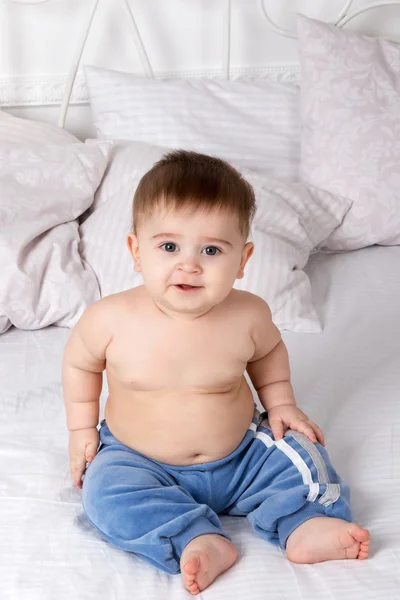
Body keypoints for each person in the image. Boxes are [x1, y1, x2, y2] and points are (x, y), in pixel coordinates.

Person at [62, 150, 370, 596]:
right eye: (169, 246)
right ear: (135, 250)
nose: (189, 264)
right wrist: (80, 428)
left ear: (243, 260)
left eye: (211, 250)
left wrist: (282, 404)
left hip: (243, 456)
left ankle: (305, 523)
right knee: (105, 494)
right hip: (140, 460)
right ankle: (195, 537)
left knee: (304, 455)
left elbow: (268, 355)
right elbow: (79, 363)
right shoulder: (108, 319)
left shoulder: (248, 315)